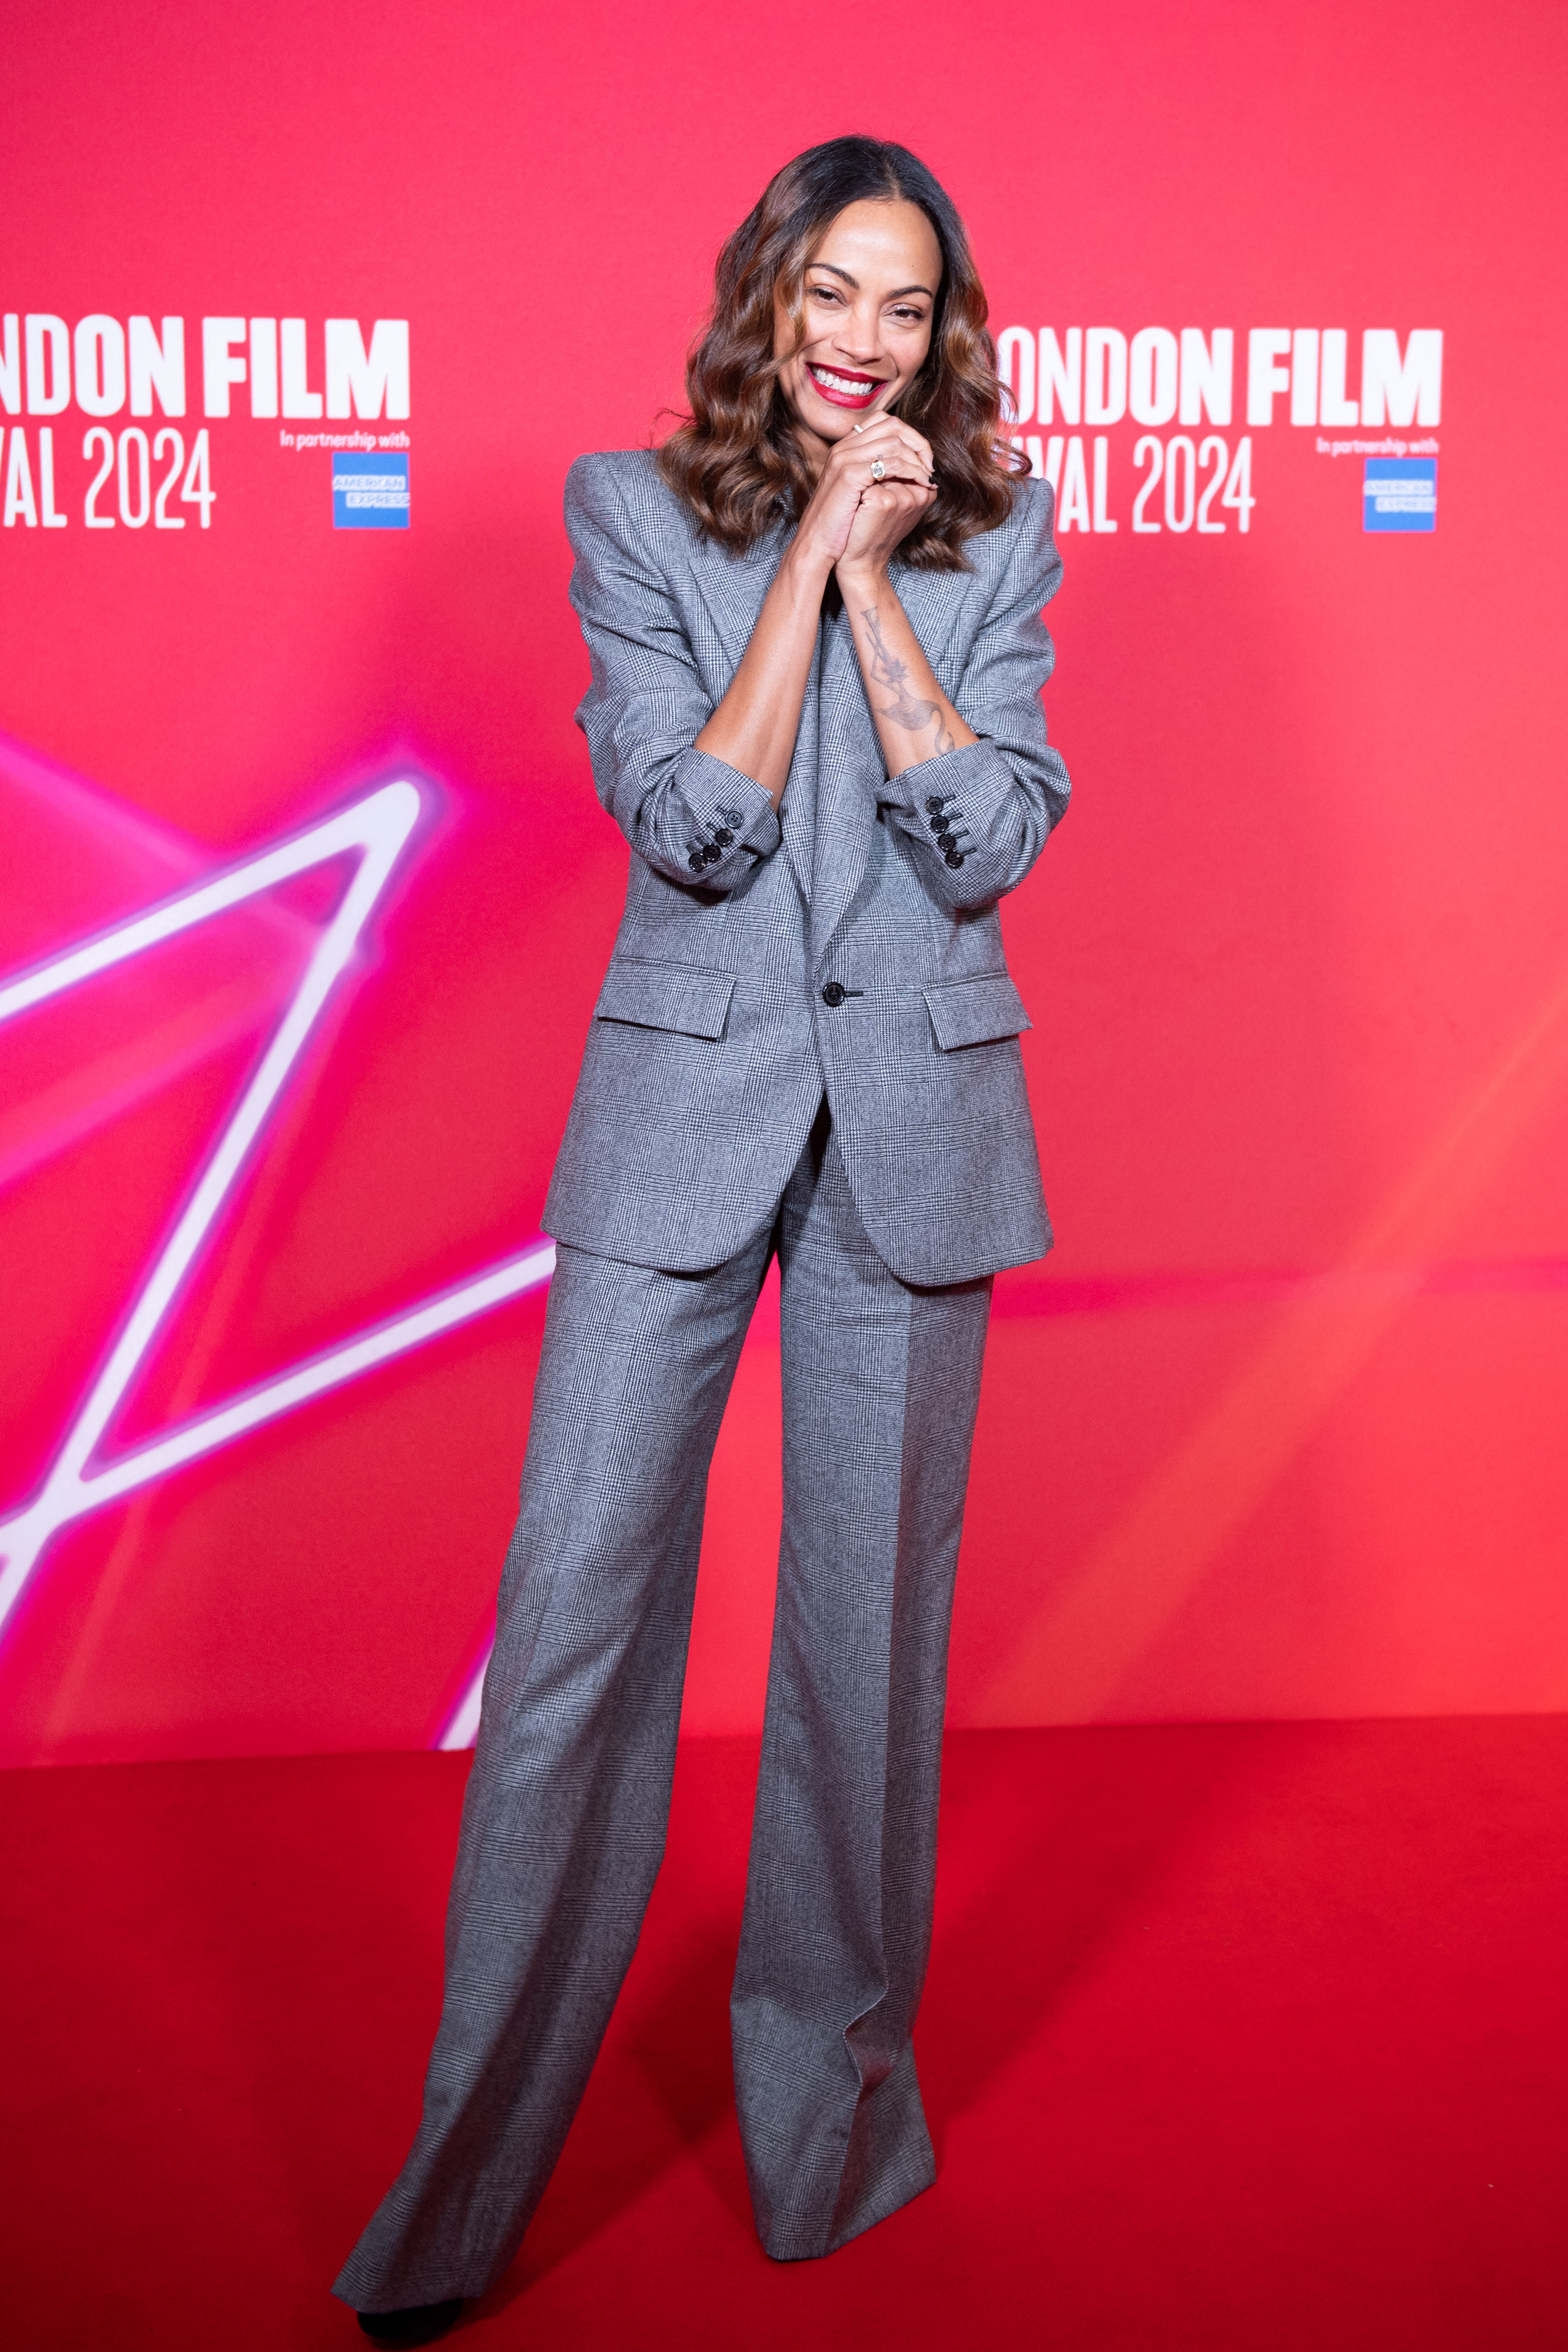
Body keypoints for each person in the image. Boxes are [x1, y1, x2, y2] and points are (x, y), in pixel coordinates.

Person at [335, 132, 1069, 2347]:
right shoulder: (629, 511)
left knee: (864, 1654)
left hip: (912, 1133)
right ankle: (462, 2188)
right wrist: (799, 565)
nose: (866, 342)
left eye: (905, 306)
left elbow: (989, 838)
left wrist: (882, 587)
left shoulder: (1005, 529)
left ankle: (824, 2142)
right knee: (572, 1613)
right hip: (679, 1119)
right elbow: (691, 821)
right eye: (831, 294)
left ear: (941, 334)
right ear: (766, 297)